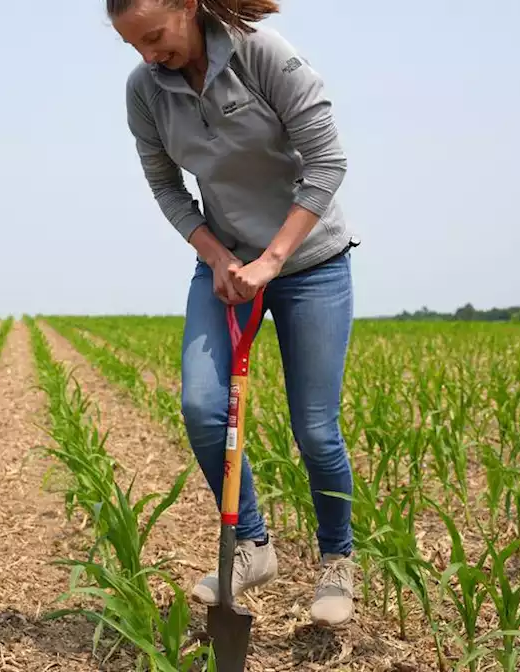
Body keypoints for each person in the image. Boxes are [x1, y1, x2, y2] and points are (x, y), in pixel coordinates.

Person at [109, 0, 359, 627]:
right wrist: (217, 257)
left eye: (155, 36)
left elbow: (328, 163)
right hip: (224, 266)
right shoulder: (145, 90)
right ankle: (252, 545)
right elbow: (166, 184)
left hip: (310, 260)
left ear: (188, 8)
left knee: (316, 428)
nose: (148, 55)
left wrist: (272, 260)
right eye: (133, 44)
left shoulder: (262, 53)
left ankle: (337, 562)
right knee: (201, 404)